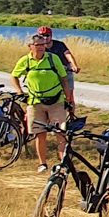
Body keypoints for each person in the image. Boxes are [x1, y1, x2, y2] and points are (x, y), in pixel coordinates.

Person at [10, 33, 73, 171]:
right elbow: (14, 76)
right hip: (35, 101)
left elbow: (64, 78)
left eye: (43, 44)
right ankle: (42, 163)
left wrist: (68, 97)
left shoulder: (53, 59)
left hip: (56, 100)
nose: (41, 48)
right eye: (37, 45)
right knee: (40, 133)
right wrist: (19, 91)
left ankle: (63, 162)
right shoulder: (25, 61)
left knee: (60, 132)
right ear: (30, 47)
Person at [36, 26, 79, 109]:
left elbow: (67, 54)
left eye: (47, 35)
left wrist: (74, 65)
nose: (44, 38)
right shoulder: (40, 48)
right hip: (50, 74)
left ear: (51, 36)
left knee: (69, 96)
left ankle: (71, 115)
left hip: (65, 71)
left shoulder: (59, 45)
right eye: (41, 36)